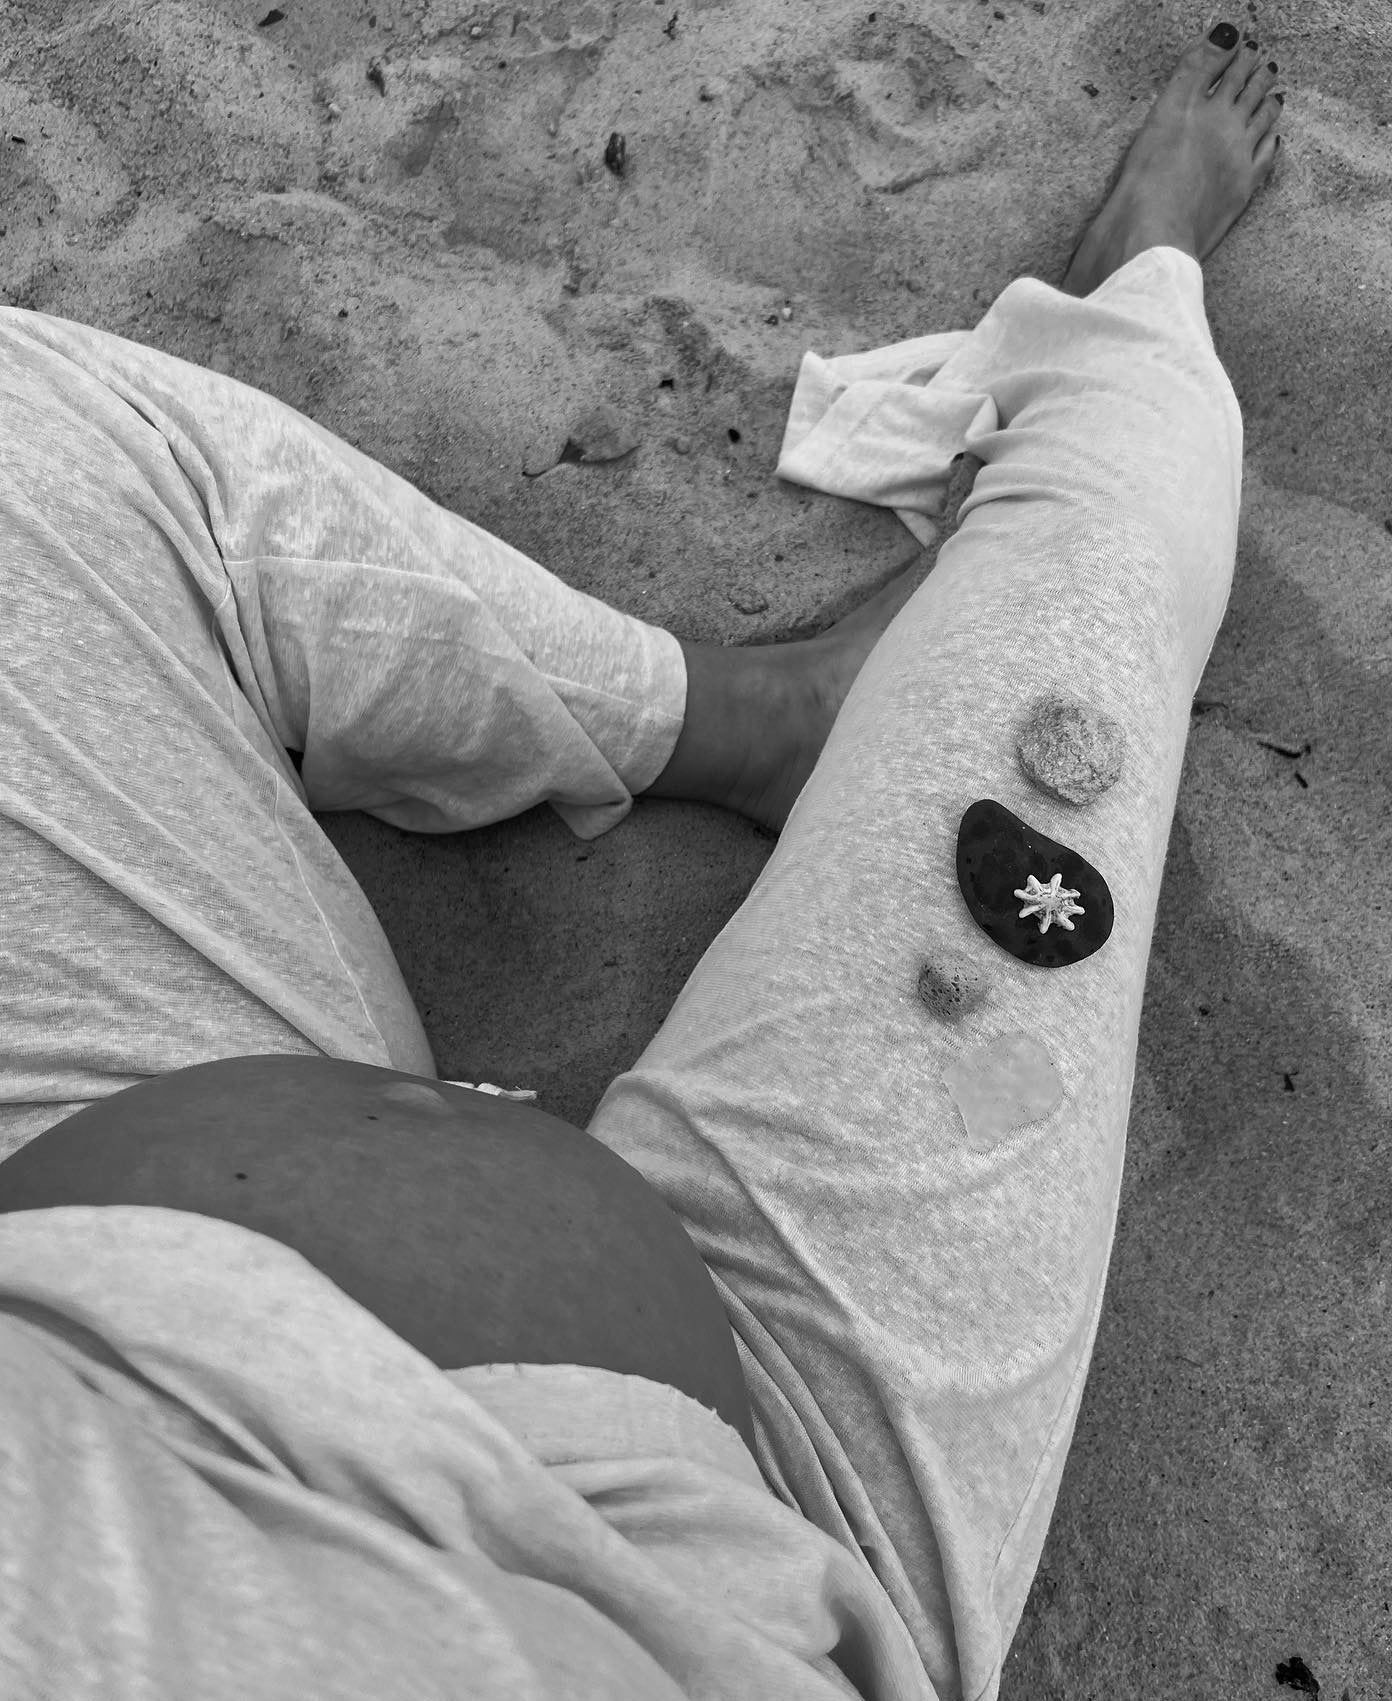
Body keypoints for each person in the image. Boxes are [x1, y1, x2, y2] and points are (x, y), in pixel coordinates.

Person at [0, 22, 1282, 1701]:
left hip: (76, 1199)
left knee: (36, 434)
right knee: (1095, 582)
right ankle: (1131, 307)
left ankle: (750, 720)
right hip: (775, 1541)